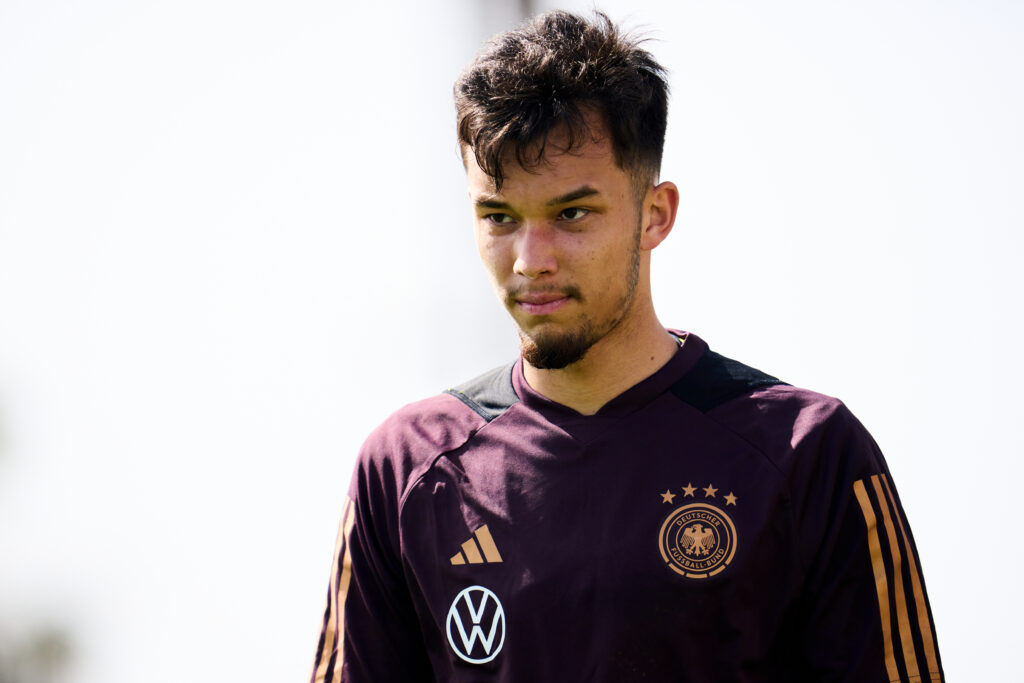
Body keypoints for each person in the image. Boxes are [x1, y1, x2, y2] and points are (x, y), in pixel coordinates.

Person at [309, 10, 943, 682]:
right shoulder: (405, 468)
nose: (530, 260)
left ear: (655, 214)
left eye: (571, 214)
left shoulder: (808, 452)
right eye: (499, 216)